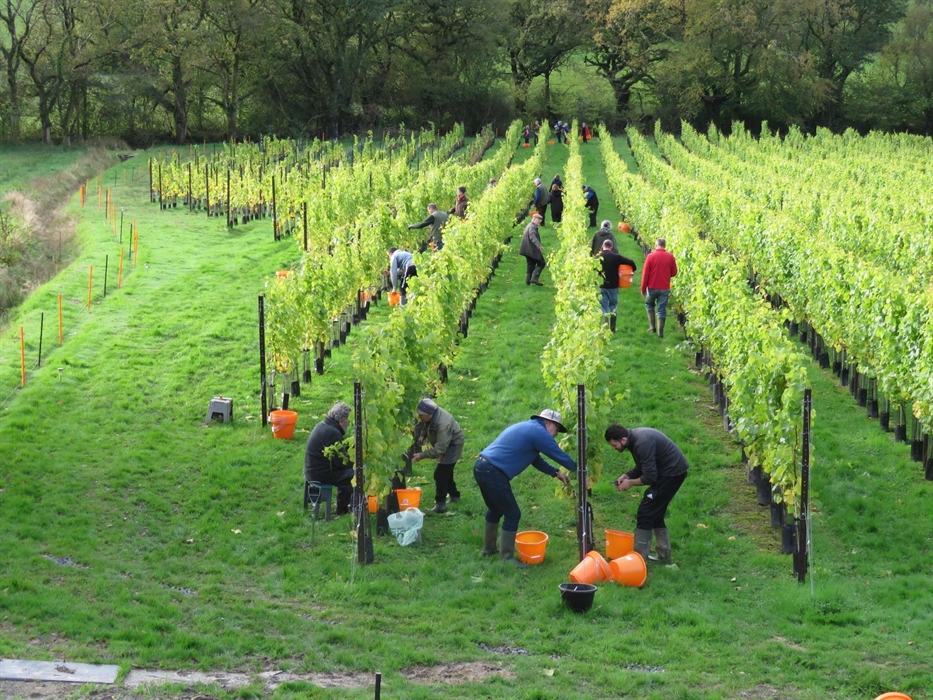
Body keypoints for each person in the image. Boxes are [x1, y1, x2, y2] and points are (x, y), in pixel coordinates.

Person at [474, 409, 575, 566]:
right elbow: (558, 454)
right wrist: (579, 468)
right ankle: (506, 558)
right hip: (494, 471)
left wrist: (555, 472)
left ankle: (489, 549)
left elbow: (535, 459)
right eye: (556, 430)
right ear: (548, 423)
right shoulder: (539, 432)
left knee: (495, 509)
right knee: (513, 513)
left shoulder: (530, 429)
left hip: (482, 466)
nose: (556, 435)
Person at [605, 424, 689, 565]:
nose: (613, 448)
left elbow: (650, 476)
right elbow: (643, 466)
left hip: (672, 473)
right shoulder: (634, 440)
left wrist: (630, 483)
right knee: (655, 512)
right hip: (668, 471)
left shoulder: (641, 443)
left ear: (623, 440)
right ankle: (663, 556)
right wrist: (627, 475)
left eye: (614, 445)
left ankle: (638, 561)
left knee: (645, 512)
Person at [412, 398, 465, 513]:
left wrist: (422, 455)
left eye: (421, 415)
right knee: (446, 473)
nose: (419, 417)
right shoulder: (432, 414)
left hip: (453, 445)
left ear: (429, 414)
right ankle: (455, 496)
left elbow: (440, 450)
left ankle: (440, 505)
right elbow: (427, 424)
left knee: (440, 474)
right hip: (446, 443)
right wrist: (423, 435)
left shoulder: (443, 425)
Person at [304, 402, 354, 516]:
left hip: (314, 470)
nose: (349, 423)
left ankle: (342, 507)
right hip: (320, 474)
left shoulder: (324, 425)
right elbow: (341, 462)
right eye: (348, 421)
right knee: (354, 476)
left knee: (347, 474)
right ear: (341, 421)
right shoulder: (333, 433)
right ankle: (345, 508)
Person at [597, 239, 637, 333]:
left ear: (602, 246)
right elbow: (630, 261)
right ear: (611, 247)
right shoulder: (616, 257)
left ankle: (605, 329)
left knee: (604, 307)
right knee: (613, 307)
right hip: (613, 286)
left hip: (602, 285)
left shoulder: (598, 257)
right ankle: (613, 328)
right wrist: (633, 270)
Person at [641, 237, 678, 338]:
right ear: (664, 246)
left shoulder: (650, 257)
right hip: (664, 287)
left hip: (652, 287)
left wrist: (643, 289)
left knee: (649, 305)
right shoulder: (670, 257)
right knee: (661, 309)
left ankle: (652, 327)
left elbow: (645, 274)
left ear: (656, 245)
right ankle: (660, 332)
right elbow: (674, 272)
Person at [519, 213, 546, 286]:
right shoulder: (532, 227)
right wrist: (538, 245)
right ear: (533, 219)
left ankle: (528, 281)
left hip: (527, 250)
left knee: (531, 265)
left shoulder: (530, 225)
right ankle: (534, 279)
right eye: (538, 219)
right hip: (531, 250)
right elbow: (532, 236)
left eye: (541, 220)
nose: (540, 221)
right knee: (541, 263)